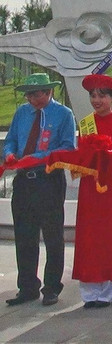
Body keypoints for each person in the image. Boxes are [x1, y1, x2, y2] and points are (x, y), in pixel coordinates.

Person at [3, 73, 76, 307]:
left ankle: (52, 286)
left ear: (48, 92)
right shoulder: (22, 113)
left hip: (48, 180)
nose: (31, 99)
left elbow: (67, 148)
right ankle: (27, 286)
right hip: (24, 181)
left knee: (53, 236)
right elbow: (11, 140)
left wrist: (37, 158)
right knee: (25, 235)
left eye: (35, 94)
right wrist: (10, 154)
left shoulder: (63, 115)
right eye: (29, 95)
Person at [73, 74, 112, 308]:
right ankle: (90, 292)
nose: (96, 100)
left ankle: (109, 293)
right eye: (93, 95)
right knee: (90, 236)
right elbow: (80, 155)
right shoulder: (86, 123)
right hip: (90, 186)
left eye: (102, 95)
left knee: (111, 235)